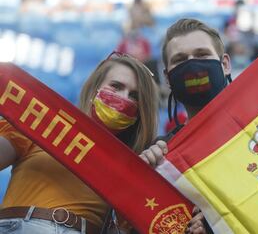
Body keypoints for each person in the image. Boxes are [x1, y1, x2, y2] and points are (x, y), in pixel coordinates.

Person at [0, 53, 158, 234]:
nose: (124, 99)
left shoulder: (131, 166)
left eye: (135, 96)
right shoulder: (45, 122)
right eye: (116, 86)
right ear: (94, 88)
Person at [140, 18, 232, 234]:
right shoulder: (163, 154)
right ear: (168, 79)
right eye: (180, 60)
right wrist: (146, 176)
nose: (192, 65)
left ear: (225, 64)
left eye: (202, 55)